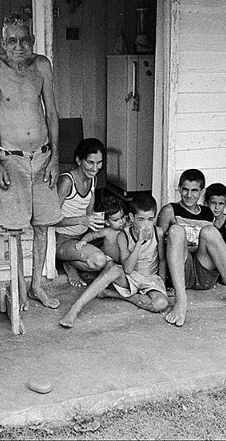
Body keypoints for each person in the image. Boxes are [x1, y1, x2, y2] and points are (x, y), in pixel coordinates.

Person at [0, 13, 62, 310]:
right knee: (15, 229)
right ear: (3, 42)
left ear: (33, 41)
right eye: (12, 41)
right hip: (11, 160)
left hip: (42, 157)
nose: (19, 46)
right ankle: (19, 289)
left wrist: (56, 157)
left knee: (43, 225)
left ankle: (37, 284)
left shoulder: (42, 65)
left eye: (24, 40)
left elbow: (52, 112)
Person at [157, 170, 226, 327]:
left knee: (210, 231)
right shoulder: (170, 210)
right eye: (185, 189)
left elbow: (225, 220)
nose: (189, 195)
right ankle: (181, 301)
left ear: (202, 192)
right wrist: (160, 281)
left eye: (194, 190)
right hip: (181, 271)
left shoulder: (208, 213)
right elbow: (158, 243)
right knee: (176, 231)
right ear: (179, 188)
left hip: (204, 274)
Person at [59, 194, 168, 328]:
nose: (146, 224)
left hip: (150, 279)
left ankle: (115, 294)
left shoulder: (159, 233)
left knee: (161, 304)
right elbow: (127, 269)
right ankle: (75, 309)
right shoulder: (123, 235)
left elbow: (162, 260)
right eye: (141, 219)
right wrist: (139, 242)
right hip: (130, 277)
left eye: (150, 219)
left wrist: (161, 284)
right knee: (113, 269)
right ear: (132, 218)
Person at [54, 138, 108, 287]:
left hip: (82, 237)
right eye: (90, 162)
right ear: (79, 160)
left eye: (99, 162)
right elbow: (50, 219)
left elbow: (89, 213)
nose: (95, 168)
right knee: (99, 261)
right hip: (63, 240)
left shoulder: (93, 179)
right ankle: (69, 263)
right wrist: (81, 220)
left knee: (114, 244)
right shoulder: (67, 182)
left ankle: (73, 260)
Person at [74, 195, 128, 263]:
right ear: (107, 222)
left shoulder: (127, 228)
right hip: (106, 259)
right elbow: (92, 235)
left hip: (121, 261)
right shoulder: (107, 231)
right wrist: (84, 240)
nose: (121, 221)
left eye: (122, 217)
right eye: (116, 220)